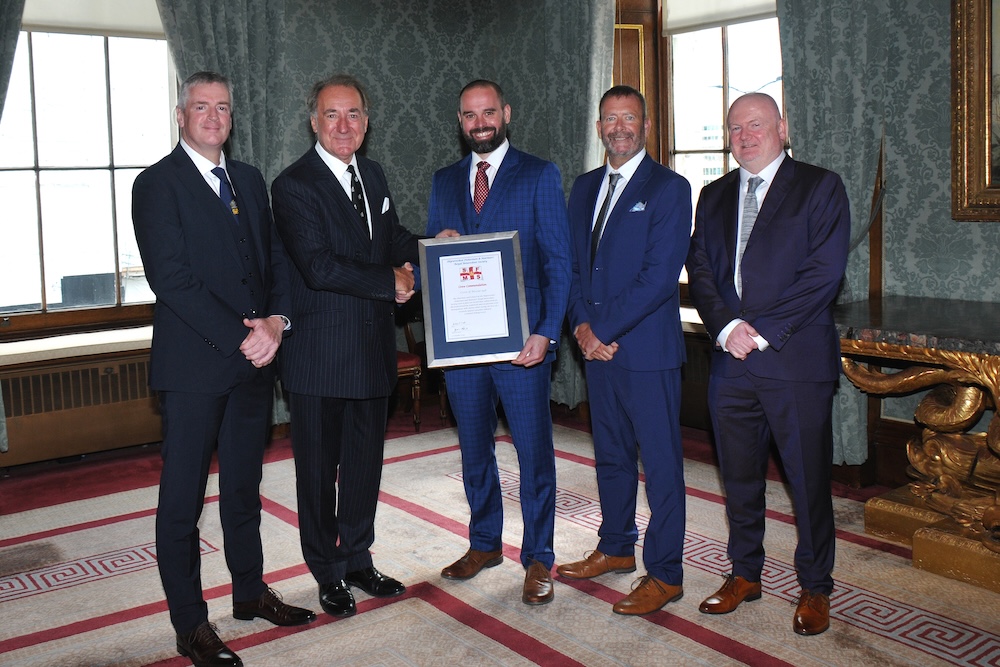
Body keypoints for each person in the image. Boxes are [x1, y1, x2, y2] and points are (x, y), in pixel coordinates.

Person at [132, 71, 315, 667]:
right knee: (182, 503)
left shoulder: (249, 179)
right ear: (180, 115)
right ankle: (190, 624)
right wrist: (245, 338)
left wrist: (278, 323)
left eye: (223, 108)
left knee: (243, 488)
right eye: (201, 107)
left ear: (232, 118)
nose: (214, 116)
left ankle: (249, 592)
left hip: (254, 364)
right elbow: (174, 282)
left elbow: (274, 261)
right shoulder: (156, 184)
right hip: (194, 369)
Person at [686, 92, 850, 636]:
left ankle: (815, 586)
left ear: (783, 125)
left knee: (806, 483)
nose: (744, 136)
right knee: (739, 479)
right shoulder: (712, 195)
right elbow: (702, 269)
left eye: (755, 124)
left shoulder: (820, 186)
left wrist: (759, 334)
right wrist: (729, 328)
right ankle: (744, 574)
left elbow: (822, 275)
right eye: (735, 128)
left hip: (794, 360)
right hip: (730, 363)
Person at [271, 74, 419, 619]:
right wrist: (391, 282)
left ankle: (357, 557)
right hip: (319, 354)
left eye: (353, 114)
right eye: (332, 115)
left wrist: (432, 246)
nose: (343, 125)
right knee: (317, 471)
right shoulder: (293, 185)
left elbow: (391, 237)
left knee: (364, 466)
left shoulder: (373, 174)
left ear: (366, 120)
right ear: (313, 121)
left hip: (372, 350)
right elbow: (317, 266)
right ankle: (326, 571)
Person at [426, 80, 571, 605]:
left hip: (522, 348)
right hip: (463, 350)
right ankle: (484, 543)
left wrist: (547, 331)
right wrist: (431, 249)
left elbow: (558, 262)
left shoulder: (539, 174)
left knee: (534, 454)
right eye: (469, 115)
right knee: (473, 451)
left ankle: (538, 558)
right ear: (460, 121)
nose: (480, 122)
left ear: (506, 113)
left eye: (489, 112)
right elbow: (432, 269)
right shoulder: (444, 182)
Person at [558, 85, 692, 615]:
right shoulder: (585, 186)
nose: (619, 127)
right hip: (597, 351)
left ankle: (666, 573)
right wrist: (582, 327)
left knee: (661, 466)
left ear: (646, 126)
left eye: (629, 118)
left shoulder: (671, 188)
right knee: (610, 458)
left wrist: (602, 330)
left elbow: (658, 278)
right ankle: (616, 548)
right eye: (610, 118)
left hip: (646, 353)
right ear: (598, 127)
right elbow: (569, 265)